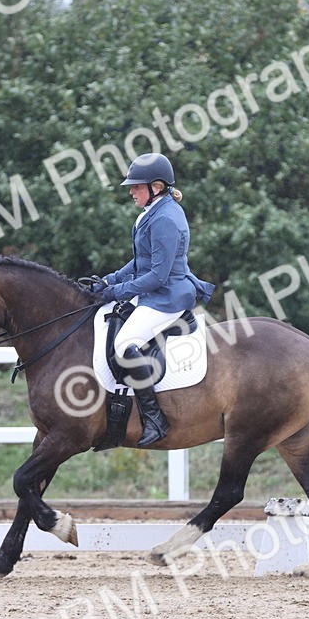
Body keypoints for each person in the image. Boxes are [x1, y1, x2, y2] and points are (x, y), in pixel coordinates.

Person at [94, 153, 214, 447]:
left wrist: (117, 292)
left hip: (168, 297)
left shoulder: (166, 219)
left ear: (156, 187)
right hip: (154, 293)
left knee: (124, 344)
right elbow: (139, 262)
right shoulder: (151, 212)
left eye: (136, 186)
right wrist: (110, 279)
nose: (131, 191)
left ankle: (155, 419)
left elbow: (157, 276)